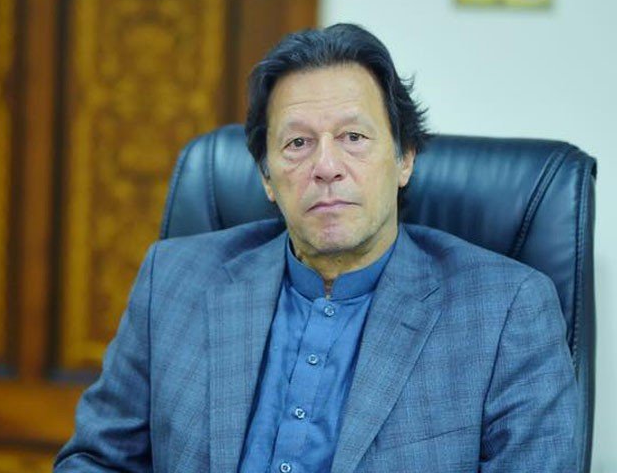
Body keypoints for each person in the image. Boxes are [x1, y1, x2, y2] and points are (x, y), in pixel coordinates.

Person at [54, 23, 577, 472]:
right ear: (266, 177)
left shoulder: (506, 312)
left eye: (353, 137)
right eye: (298, 143)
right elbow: (95, 460)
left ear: (404, 159)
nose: (326, 167)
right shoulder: (174, 280)